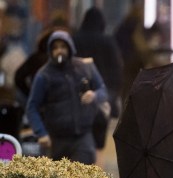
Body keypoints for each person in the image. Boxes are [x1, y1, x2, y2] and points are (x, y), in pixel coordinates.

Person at [26, 30, 108, 165]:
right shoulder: (44, 75)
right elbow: (32, 106)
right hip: (56, 138)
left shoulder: (84, 67)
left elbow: (103, 90)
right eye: (55, 47)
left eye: (63, 47)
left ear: (70, 47)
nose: (60, 51)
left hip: (82, 136)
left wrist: (94, 95)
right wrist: (41, 133)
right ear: (50, 51)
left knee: (81, 175)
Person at [73, 6, 123, 167]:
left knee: (80, 134)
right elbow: (117, 69)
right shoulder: (108, 41)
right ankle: (96, 172)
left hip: (79, 96)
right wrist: (113, 93)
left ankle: (80, 169)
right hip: (103, 96)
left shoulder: (76, 39)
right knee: (99, 137)